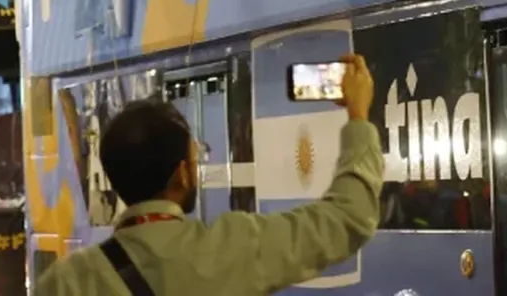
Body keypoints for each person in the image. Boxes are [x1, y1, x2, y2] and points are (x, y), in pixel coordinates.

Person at [34, 55, 382, 296]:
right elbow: (349, 218)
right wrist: (358, 116)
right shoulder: (234, 248)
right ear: (183, 174)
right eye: (195, 156)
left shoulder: (66, 283)